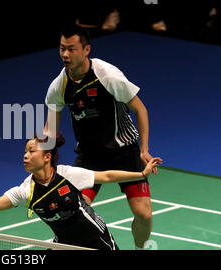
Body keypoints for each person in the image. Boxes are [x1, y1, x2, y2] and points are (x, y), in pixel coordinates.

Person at [0, 135, 162, 250]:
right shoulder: (26, 191)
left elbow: (107, 176)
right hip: (63, 245)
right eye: (24, 151)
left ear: (47, 156)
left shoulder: (67, 175)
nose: (25, 155)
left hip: (96, 241)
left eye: (31, 151)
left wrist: (141, 175)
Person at [43, 23, 155, 250]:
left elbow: (140, 110)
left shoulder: (108, 76)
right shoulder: (59, 86)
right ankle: (62, 244)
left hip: (124, 150)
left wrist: (144, 149)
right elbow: (50, 131)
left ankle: (140, 249)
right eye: (62, 48)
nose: (65, 54)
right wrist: (45, 163)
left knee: (143, 213)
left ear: (86, 50)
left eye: (72, 49)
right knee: (74, 209)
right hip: (89, 156)